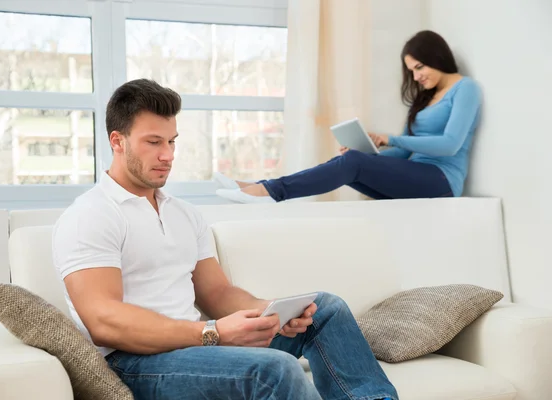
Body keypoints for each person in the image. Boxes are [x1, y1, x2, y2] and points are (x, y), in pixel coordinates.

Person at [51, 78, 398, 400]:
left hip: (196, 346)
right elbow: (104, 322)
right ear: (117, 141)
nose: (168, 155)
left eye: (171, 142)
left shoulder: (182, 214)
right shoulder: (91, 216)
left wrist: (271, 312)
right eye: (153, 142)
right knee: (275, 370)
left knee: (326, 309)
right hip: (133, 363)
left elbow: (218, 294)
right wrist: (212, 333)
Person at [215, 30, 483, 204]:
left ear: (437, 57)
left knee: (353, 161)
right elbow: (401, 157)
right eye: (411, 71)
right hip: (418, 175)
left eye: (419, 67)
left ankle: (269, 191)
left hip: (441, 181)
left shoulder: (465, 88)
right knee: (350, 160)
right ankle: (263, 186)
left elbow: (450, 145)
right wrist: (368, 154)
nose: (416, 77)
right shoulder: (425, 98)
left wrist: (391, 139)